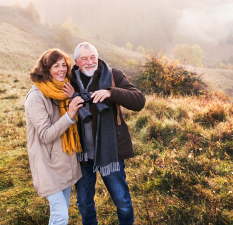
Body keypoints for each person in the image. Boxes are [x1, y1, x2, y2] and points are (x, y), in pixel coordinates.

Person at [70, 42, 146, 225]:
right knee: (84, 203)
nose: (90, 62)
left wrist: (111, 92)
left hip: (110, 151)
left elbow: (139, 101)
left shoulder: (113, 75)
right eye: (84, 59)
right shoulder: (69, 81)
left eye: (93, 57)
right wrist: (70, 97)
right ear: (76, 62)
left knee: (122, 201)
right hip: (82, 154)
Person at [24, 49, 85, 225]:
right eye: (55, 65)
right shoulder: (36, 97)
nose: (61, 70)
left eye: (64, 65)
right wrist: (70, 115)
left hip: (64, 161)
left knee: (60, 212)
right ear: (46, 69)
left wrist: (72, 98)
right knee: (61, 216)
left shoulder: (63, 90)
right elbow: (45, 135)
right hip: (47, 164)